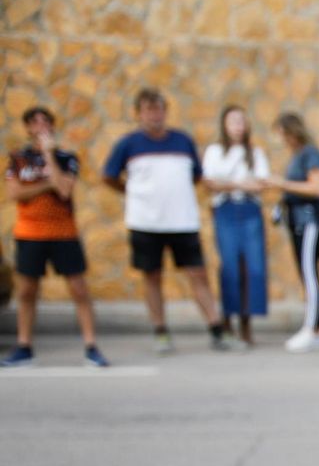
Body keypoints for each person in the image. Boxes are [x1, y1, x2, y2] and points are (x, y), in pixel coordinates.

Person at [102, 87, 231, 354]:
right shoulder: (128, 144)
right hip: (145, 223)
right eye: (149, 110)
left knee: (198, 275)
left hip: (183, 221)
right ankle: (160, 330)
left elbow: (196, 176)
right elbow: (109, 176)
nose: (155, 115)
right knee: (152, 277)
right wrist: (134, 193)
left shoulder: (183, 141)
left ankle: (216, 329)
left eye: (159, 109)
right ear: (138, 114)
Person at [3, 105, 103, 368]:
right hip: (30, 233)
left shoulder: (66, 157)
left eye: (45, 121)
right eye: (35, 122)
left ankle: (91, 345)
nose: (41, 126)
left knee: (78, 288)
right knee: (27, 290)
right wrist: (47, 184)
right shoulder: (18, 159)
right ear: (27, 128)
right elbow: (15, 194)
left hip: (63, 233)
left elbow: (64, 190)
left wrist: (48, 156)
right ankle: (24, 346)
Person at [201, 104, 270, 347]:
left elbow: (261, 184)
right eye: (233, 122)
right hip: (226, 210)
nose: (237, 126)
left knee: (253, 268)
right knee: (229, 267)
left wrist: (228, 183)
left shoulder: (255, 152)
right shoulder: (215, 151)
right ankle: (228, 318)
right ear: (224, 125)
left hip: (250, 210)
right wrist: (240, 184)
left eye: (241, 121)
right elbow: (210, 183)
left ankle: (246, 322)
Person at [265, 112, 319, 353]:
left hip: (309, 221)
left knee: (309, 274)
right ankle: (316, 328)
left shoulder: (310, 154)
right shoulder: (297, 156)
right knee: (306, 275)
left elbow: (317, 187)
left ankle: (312, 329)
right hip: (297, 221)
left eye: (282, 133)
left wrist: (281, 184)